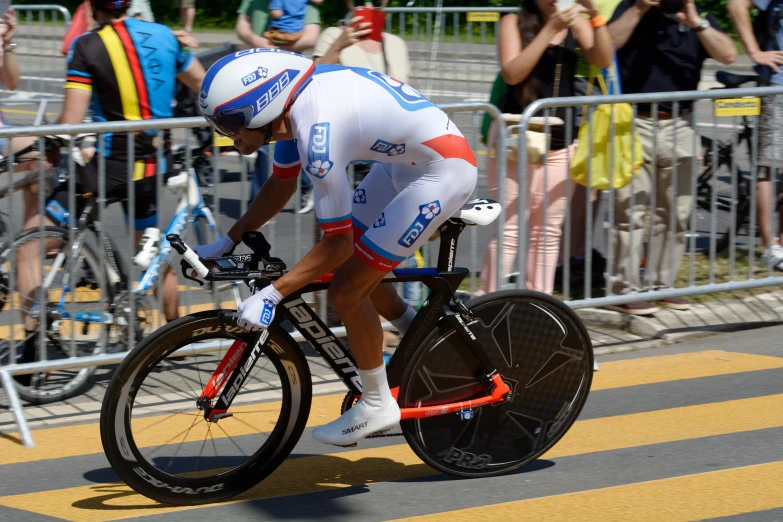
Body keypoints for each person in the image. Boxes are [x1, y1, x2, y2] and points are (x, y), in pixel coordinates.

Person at [196, 49, 478, 446]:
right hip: (403, 166)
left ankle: (378, 403)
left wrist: (274, 294)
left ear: (263, 107)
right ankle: (421, 338)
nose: (227, 136)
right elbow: (280, 185)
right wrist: (230, 239)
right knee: (362, 272)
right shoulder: (292, 109)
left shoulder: (316, 135)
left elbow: (336, 244)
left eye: (229, 123)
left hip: (442, 170)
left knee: (347, 287)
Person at [16, 0, 206, 334]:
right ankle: (175, 337)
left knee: (28, 250)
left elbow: (71, 122)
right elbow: (204, 86)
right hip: (150, 166)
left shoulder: (86, 45)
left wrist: (48, 143)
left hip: (106, 170)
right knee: (152, 255)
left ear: (92, 6)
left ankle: (35, 352)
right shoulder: (164, 35)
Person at [605, 0, 737, 315]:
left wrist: (695, 22)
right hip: (633, 120)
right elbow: (606, 43)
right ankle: (624, 289)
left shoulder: (698, 17)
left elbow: (728, 54)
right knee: (631, 211)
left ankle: (662, 284)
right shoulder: (632, 8)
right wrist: (639, 8)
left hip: (681, 122)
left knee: (676, 212)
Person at [479, 0, 613, 296]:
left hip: (561, 139)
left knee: (549, 231)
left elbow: (603, 59)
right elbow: (513, 73)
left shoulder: (575, 21)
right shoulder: (512, 23)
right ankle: (488, 301)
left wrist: (594, 16)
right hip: (516, 136)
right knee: (509, 230)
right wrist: (550, 28)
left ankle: (538, 299)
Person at [237, 0, 322, 210]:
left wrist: (277, 47)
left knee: (296, 137)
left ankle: (304, 187)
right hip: (258, 79)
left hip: (290, 78)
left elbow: (312, 36)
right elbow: (241, 25)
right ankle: (258, 201)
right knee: (261, 141)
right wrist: (257, 41)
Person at [728, 0, 783, 270]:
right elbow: (736, 4)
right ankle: (769, 247)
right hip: (778, 85)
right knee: (769, 167)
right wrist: (755, 52)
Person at [313, 0, 410, 84]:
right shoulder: (333, 35)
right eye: (359, 2)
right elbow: (312, 80)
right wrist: (337, 46)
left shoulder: (397, 43)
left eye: (376, 1)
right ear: (348, 2)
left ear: (385, 1)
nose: (368, 7)